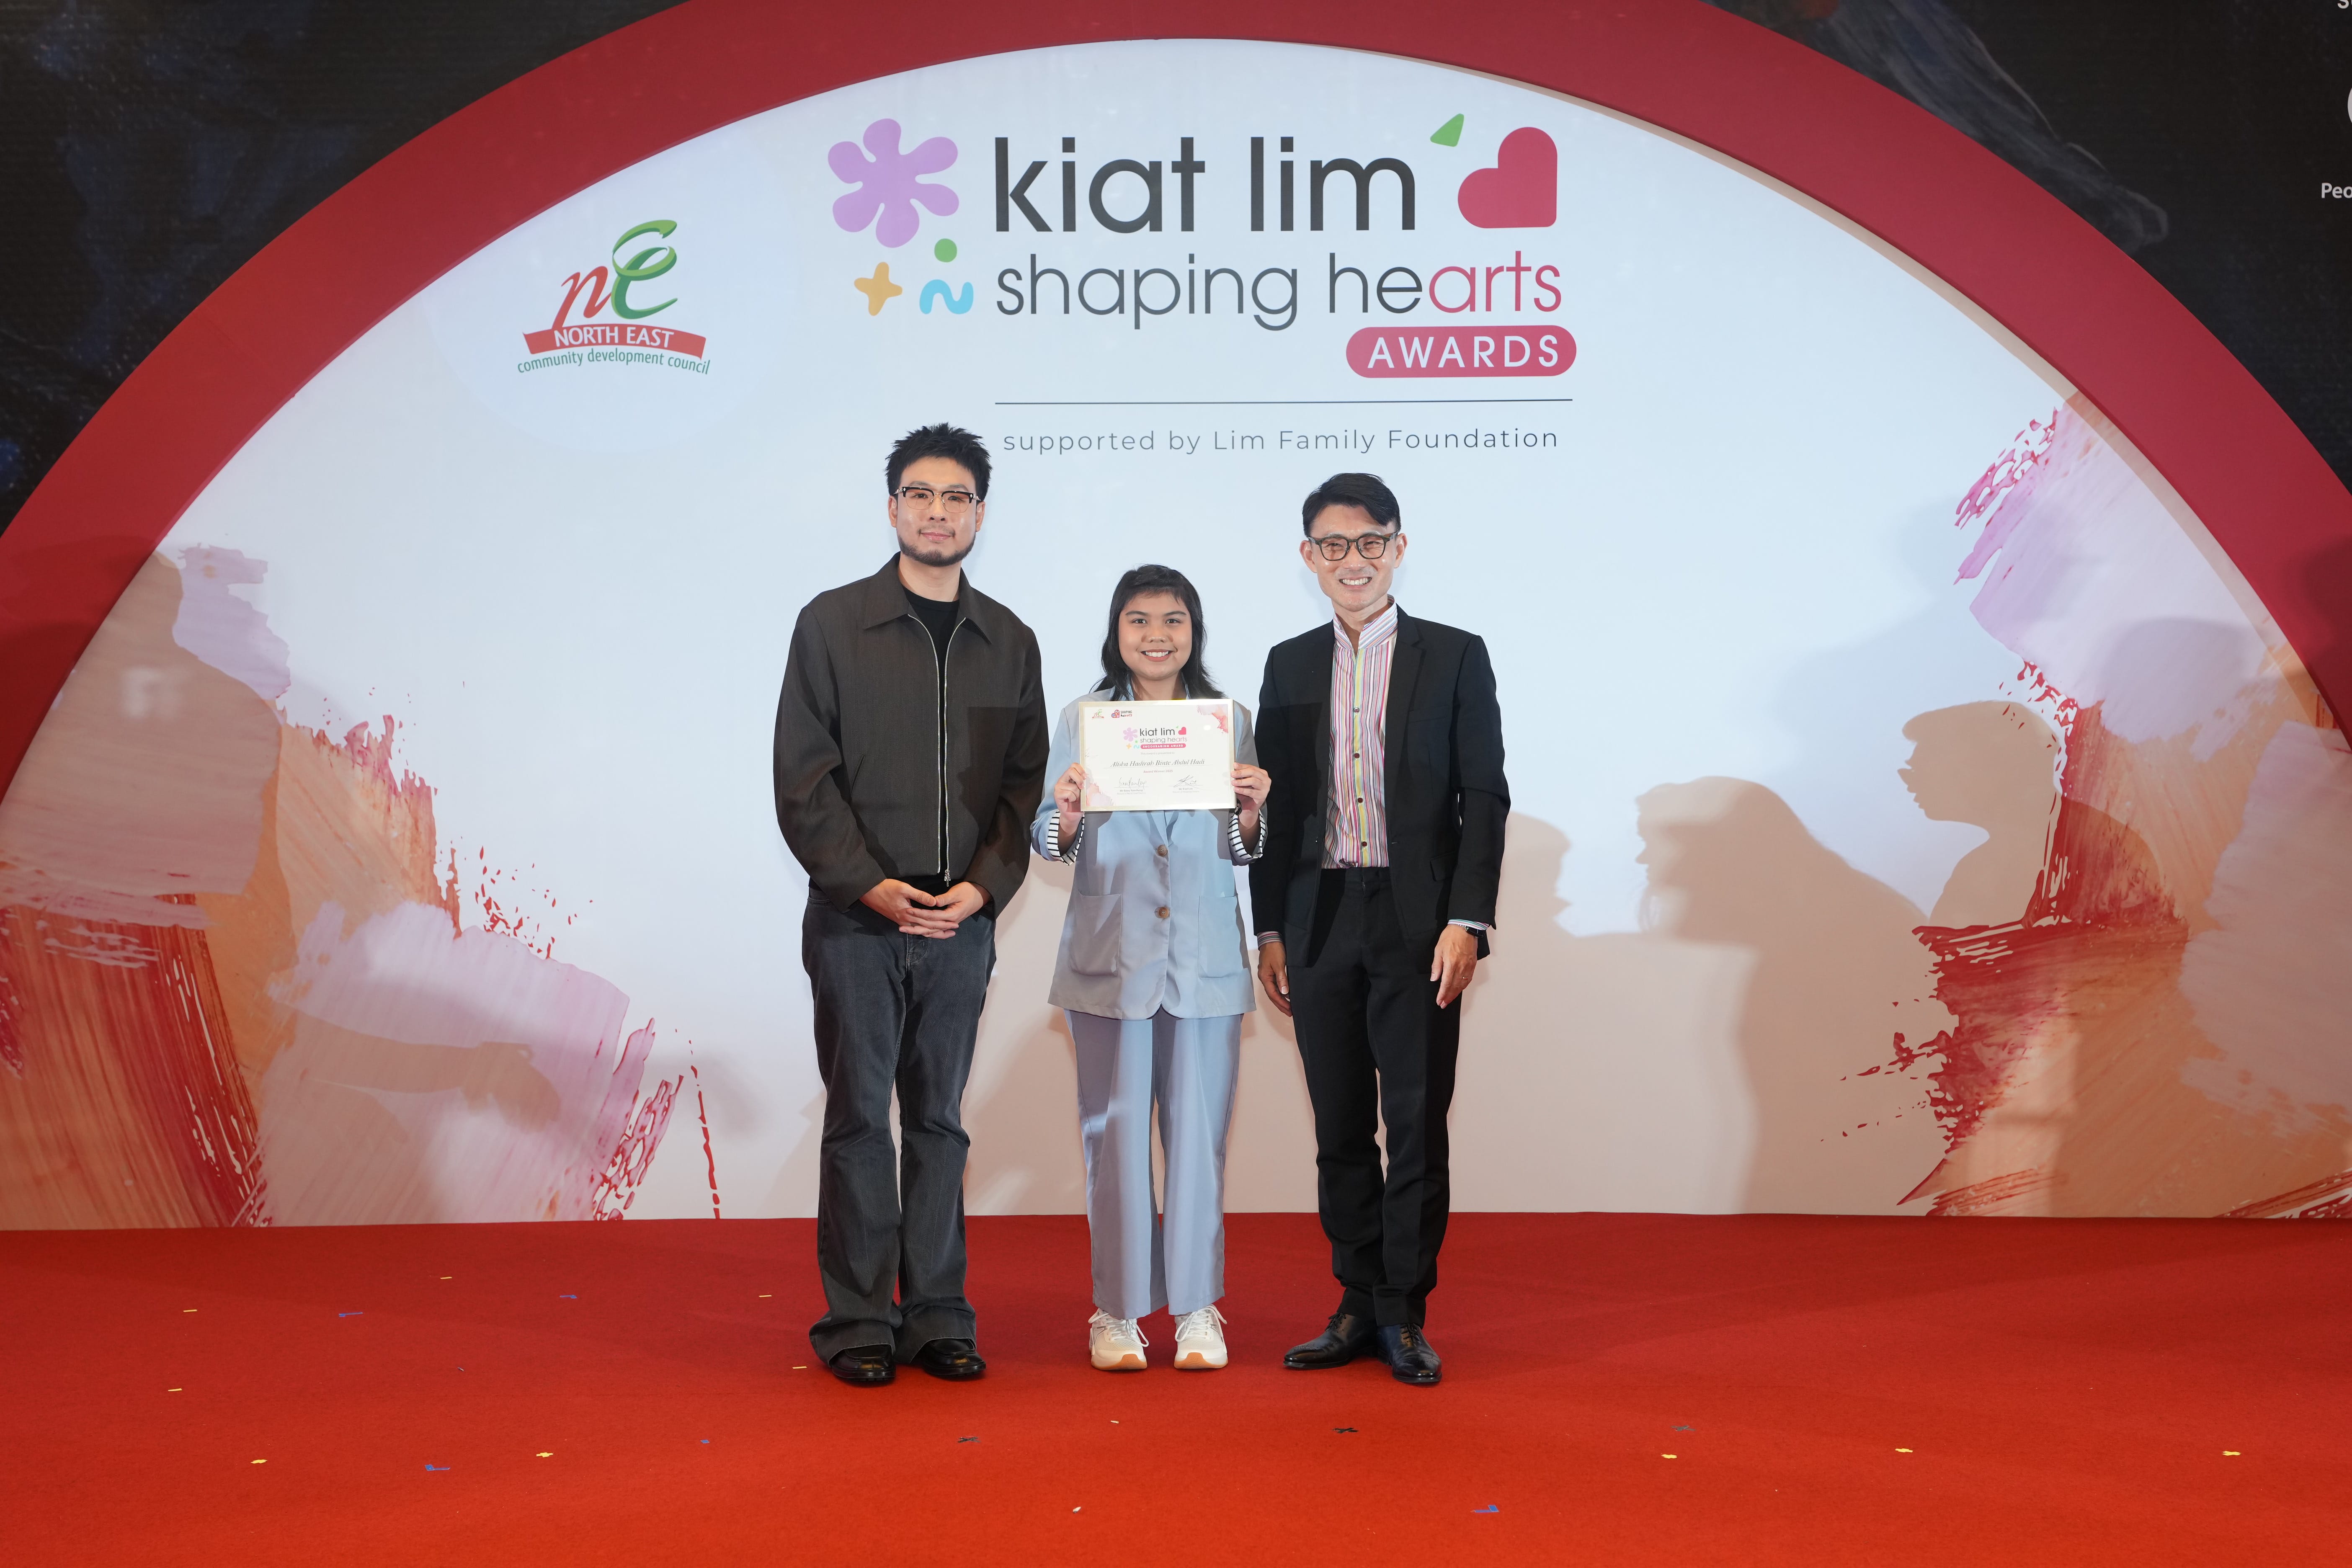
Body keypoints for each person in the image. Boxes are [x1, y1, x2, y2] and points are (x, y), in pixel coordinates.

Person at [773, 423, 1048, 1387]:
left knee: (939, 1120)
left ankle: (936, 1313)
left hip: (960, 924)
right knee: (859, 1118)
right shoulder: (832, 624)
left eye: (958, 497)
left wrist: (983, 888)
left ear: (981, 512)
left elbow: (1023, 790)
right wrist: (870, 886)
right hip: (856, 917)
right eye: (922, 495)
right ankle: (855, 1319)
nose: (940, 512)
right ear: (893, 507)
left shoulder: (1009, 640)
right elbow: (804, 781)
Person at [1251, 472, 1508, 1387]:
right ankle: (1356, 1301)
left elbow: (1484, 797)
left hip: (1417, 919)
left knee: (1416, 1124)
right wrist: (1269, 932)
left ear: (1398, 547)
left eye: (1368, 544)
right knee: (1339, 1129)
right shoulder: (1286, 664)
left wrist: (1467, 921)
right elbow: (1275, 815)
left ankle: (1405, 1310)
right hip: (1318, 918)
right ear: (1308, 556)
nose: (1350, 561)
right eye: (1332, 545)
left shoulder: (1455, 656)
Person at [1033, 566, 1272, 1373]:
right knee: (1117, 1138)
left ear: (1195, 630)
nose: (1158, 635)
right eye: (1140, 621)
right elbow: (1047, 839)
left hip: (1203, 961)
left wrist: (1248, 812)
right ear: (1117, 631)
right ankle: (1117, 1312)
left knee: (1199, 1141)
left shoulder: (1228, 720)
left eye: (1174, 619)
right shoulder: (1085, 719)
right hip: (1111, 959)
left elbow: (1245, 850)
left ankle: (1199, 1309)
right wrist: (1065, 816)